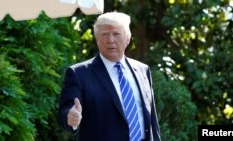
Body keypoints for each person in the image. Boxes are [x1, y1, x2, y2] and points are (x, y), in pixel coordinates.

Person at [58, 11, 161, 141]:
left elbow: (152, 120)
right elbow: (65, 111)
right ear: (97, 40)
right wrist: (70, 117)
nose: (110, 40)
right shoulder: (79, 73)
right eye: (104, 34)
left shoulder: (142, 70)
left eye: (116, 34)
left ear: (127, 39)